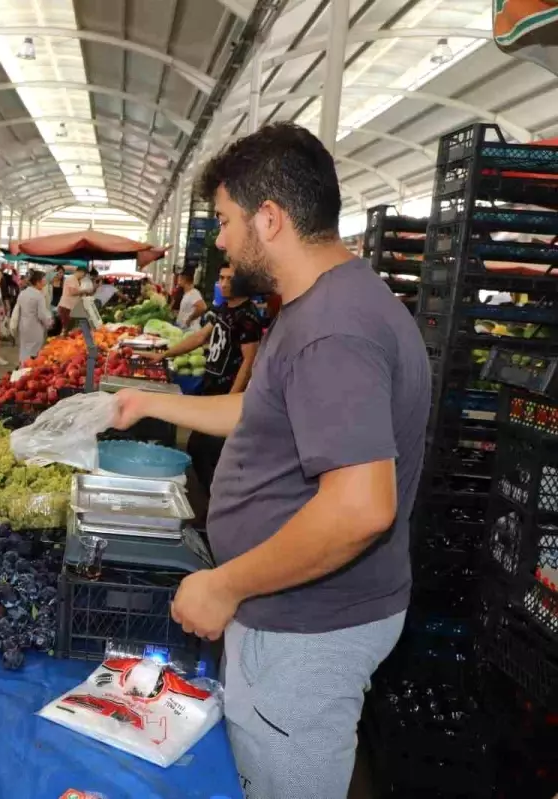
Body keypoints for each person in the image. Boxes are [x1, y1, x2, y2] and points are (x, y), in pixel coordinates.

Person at [112, 123, 428, 798]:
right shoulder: (321, 305)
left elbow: (361, 506)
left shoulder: (332, 329)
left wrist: (226, 585)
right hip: (295, 615)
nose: (220, 241)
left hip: (308, 629)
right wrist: (153, 403)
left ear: (270, 218)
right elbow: (260, 414)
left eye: (225, 222)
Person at [154, 263, 262, 491]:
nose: (222, 284)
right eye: (221, 278)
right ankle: (213, 501)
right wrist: (165, 354)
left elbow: (249, 360)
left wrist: (232, 400)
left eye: (229, 279)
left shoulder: (248, 316)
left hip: (226, 393)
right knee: (199, 448)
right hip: (211, 389)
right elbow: (199, 337)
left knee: (210, 453)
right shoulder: (224, 309)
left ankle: (219, 505)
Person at [16, 270, 52, 364]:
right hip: (35, 327)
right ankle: (27, 371)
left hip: (23, 325)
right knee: (33, 353)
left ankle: (21, 369)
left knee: (24, 350)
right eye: (43, 279)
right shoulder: (39, 296)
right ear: (38, 282)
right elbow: (42, 315)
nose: (45, 282)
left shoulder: (23, 293)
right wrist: (49, 323)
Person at [57, 265, 93, 332]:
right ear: (81, 272)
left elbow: (75, 293)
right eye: (84, 275)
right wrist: (85, 291)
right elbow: (73, 292)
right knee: (66, 328)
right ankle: (62, 341)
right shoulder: (71, 278)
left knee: (69, 328)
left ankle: (65, 340)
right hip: (66, 307)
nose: (83, 277)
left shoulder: (75, 279)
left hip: (70, 307)